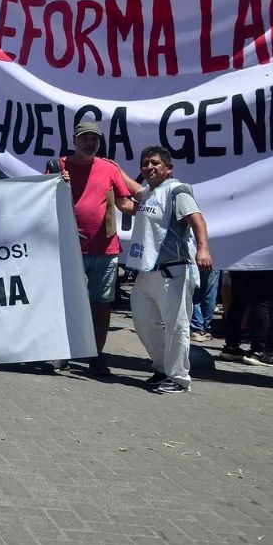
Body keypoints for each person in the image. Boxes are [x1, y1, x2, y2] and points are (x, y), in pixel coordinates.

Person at [120, 146, 212, 394]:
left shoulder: (177, 190)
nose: (149, 167)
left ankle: (179, 378)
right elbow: (134, 190)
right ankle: (162, 368)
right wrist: (115, 170)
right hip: (147, 270)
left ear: (168, 168)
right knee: (144, 322)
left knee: (176, 325)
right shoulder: (151, 192)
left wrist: (203, 249)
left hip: (174, 270)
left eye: (154, 163)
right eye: (145, 163)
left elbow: (197, 219)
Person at [54, 121, 139, 377]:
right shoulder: (59, 166)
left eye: (95, 140)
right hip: (70, 249)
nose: (90, 144)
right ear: (75, 140)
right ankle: (63, 352)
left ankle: (96, 355)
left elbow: (125, 202)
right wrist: (57, 182)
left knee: (101, 304)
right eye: (85, 139)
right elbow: (44, 199)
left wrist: (153, 209)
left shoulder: (108, 168)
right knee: (68, 303)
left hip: (106, 248)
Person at [218, 271, 273, 367]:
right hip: (262, 264)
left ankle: (231, 347)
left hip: (239, 263)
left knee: (239, 298)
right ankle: (257, 351)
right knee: (262, 301)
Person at [189, 268, 220, 344]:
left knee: (194, 294)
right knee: (209, 295)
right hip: (213, 262)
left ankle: (197, 329)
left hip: (194, 262)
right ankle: (206, 329)